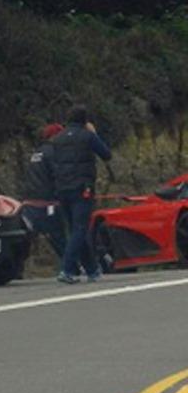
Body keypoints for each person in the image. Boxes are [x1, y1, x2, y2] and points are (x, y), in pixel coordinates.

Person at [51, 105, 113, 284]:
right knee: (80, 229)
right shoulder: (87, 136)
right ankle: (67, 269)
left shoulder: (57, 139)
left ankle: (92, 269)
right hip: (82, 188)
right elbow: (106, 154)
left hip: (62, 188)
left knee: (75, 230)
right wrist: (94, 133)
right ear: (85, 121)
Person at [21, 122, 67, 261]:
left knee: (25, 239)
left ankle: (19, 266)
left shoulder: (36, 153)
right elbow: (59, 176)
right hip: (48, 204)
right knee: (59, 238)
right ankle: (70, 266)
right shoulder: (54, 153)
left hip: (30, 204)